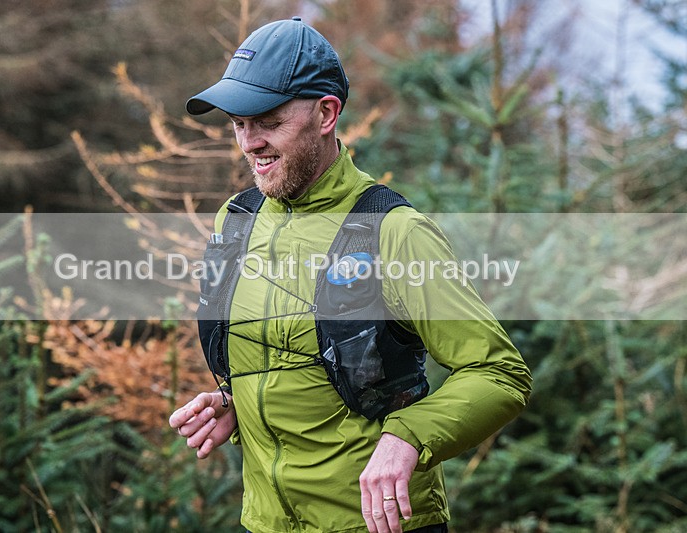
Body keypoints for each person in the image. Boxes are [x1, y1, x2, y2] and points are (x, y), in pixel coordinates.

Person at [169, 17, 532, 533]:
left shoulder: (394, 231)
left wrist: (408, 436)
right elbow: (295, 358)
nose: (249, 143)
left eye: (267, 121)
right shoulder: (237, 220)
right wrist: (236, 400)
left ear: (326, 113)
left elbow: (499, 374)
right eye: (237, 123)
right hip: (266, 522)